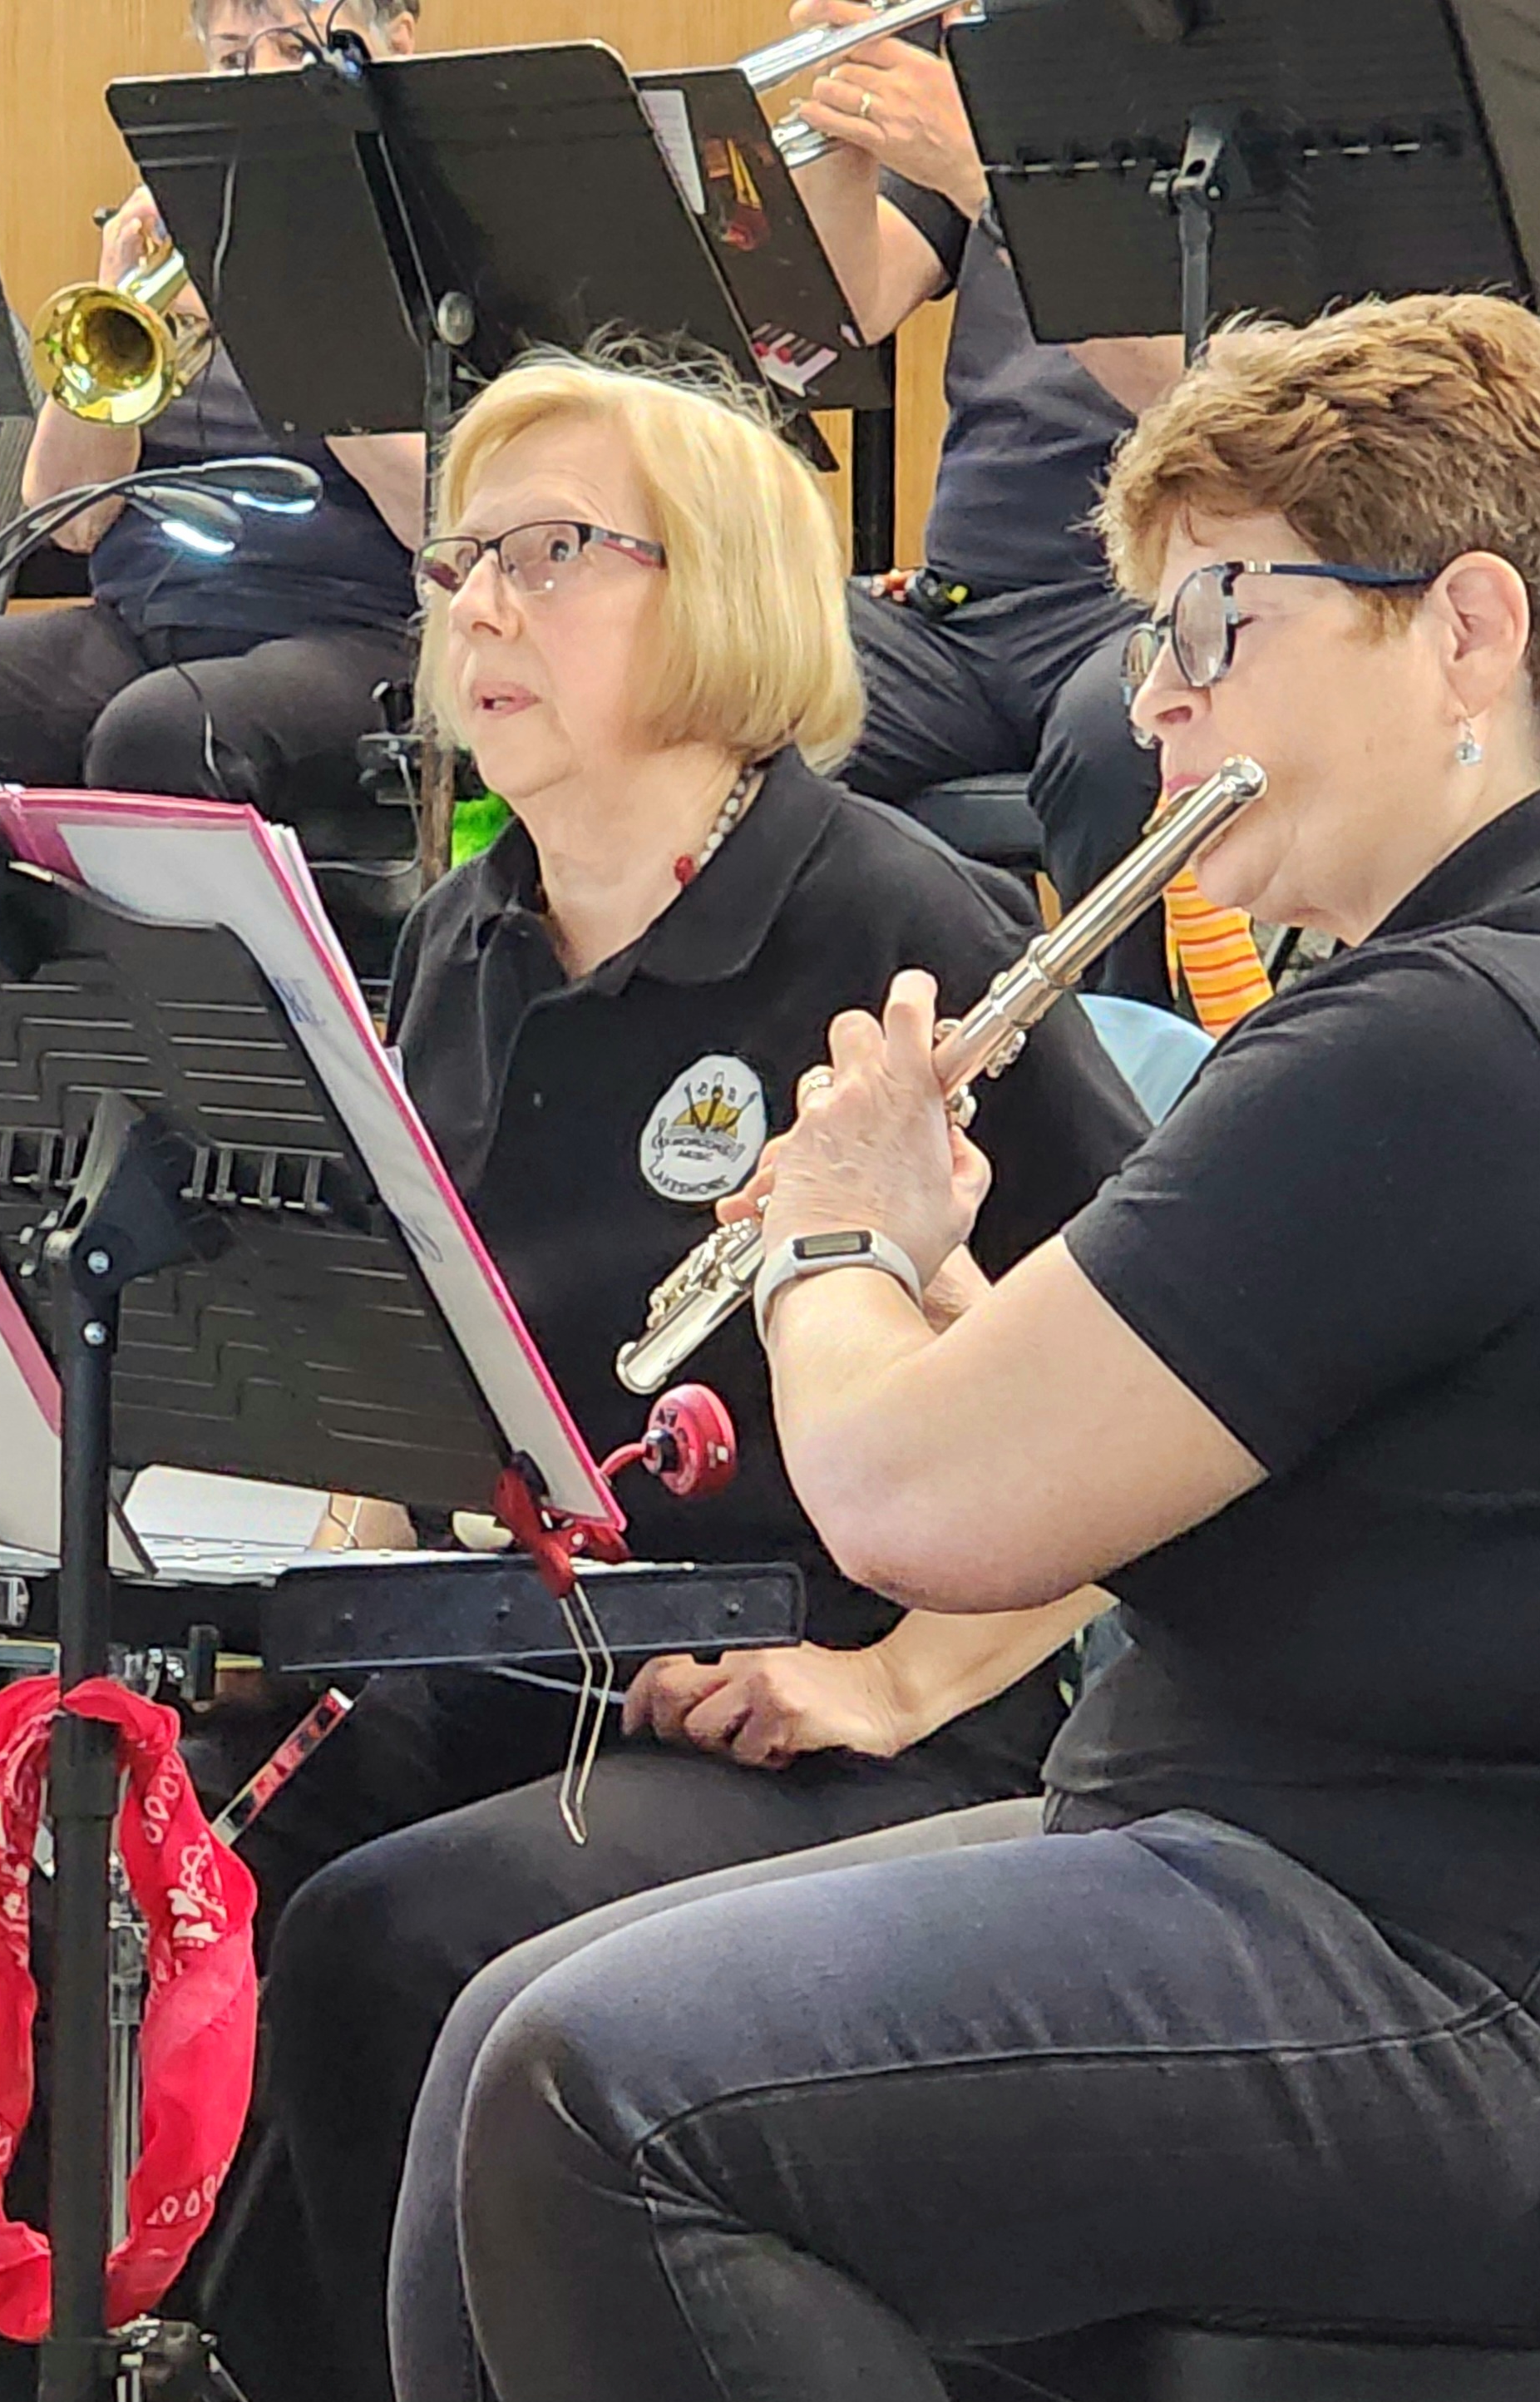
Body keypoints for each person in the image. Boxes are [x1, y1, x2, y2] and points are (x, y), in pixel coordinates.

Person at [0, 351, 1148, 2402]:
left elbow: (1167, 1402)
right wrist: (335, 1589)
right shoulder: (466, 927)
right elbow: (440, 1354)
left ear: (718, 588)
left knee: (388, 1941)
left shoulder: (889, 911)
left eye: (555, 554)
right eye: (460, 560)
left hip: (834, 1712)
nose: (477, 604)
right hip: (518, 1668)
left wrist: (897, 1676)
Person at [404, 290, 1540, 2400]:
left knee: (597, 2091)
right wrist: (939, 1287)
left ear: (1468, 627)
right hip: (1307, 1862)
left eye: (1219, 622)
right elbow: (1218, 1443)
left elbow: (916, 1503)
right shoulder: (1436, 1007)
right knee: (506, 2015)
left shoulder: (1441, 1035)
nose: (1156, 702)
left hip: (1434, 1939)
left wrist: (831, 1222)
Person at [0, 0, 430, 962]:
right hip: (141, 619)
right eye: (230, 54)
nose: (255, 79)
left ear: (392, 41)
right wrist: (122, 301)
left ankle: (197, 1040)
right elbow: (66, 523)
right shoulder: (186, 234)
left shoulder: (432, 234)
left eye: (289, 47)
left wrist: (287, 313)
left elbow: (441, 520)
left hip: (361, 633)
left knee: (157, 733)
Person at [784, 0, 1184, 994]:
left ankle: (1125, 1095)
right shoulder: (1002, 48)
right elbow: (854, 304)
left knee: (1119, 735)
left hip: (1140, 595)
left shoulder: (1258, 75)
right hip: (959, 613)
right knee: (722, 661)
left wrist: (982, 175)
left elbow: (1205, 398)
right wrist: (845, 126)